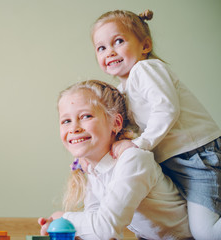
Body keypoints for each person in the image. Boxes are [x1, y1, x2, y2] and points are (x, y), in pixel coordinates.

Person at [91, 9, 221, 239]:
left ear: (145, 46)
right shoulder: (123, 90)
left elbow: (166, 109)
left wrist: (141, 144)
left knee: (206, 232)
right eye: (101, 47)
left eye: (118, 41)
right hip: (173, 161)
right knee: (184, 225)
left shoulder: (146, 69)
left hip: (196, 155)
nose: (109, 51)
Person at [38, 80, 192, 239]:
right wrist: (62, 230)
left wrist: (64, 219)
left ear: (116, 123)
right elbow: (97, 223)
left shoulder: (134, 160)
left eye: (86, 116)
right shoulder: (93, 169)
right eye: (66, 121)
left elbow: (106, 228)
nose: (74, 128)